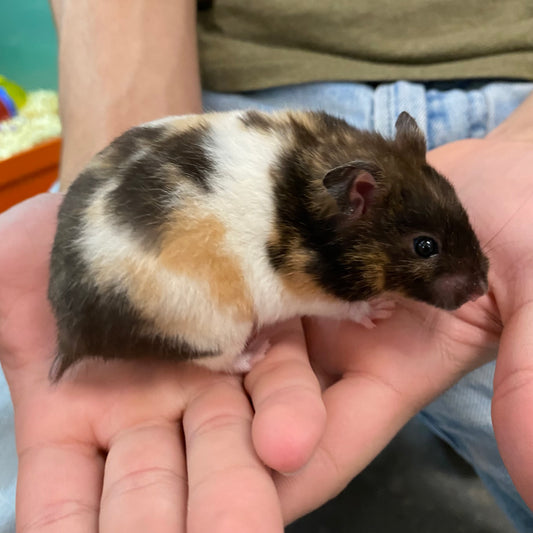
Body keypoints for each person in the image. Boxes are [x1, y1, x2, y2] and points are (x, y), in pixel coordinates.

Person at [1, 1, 533, 532]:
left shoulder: (335, 161)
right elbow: (287, 282)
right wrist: (349, 307)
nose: (470, 279)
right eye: (425, 247)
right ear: (359, 197)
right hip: (207, 106)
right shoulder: (302, 230)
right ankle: (216, 356)